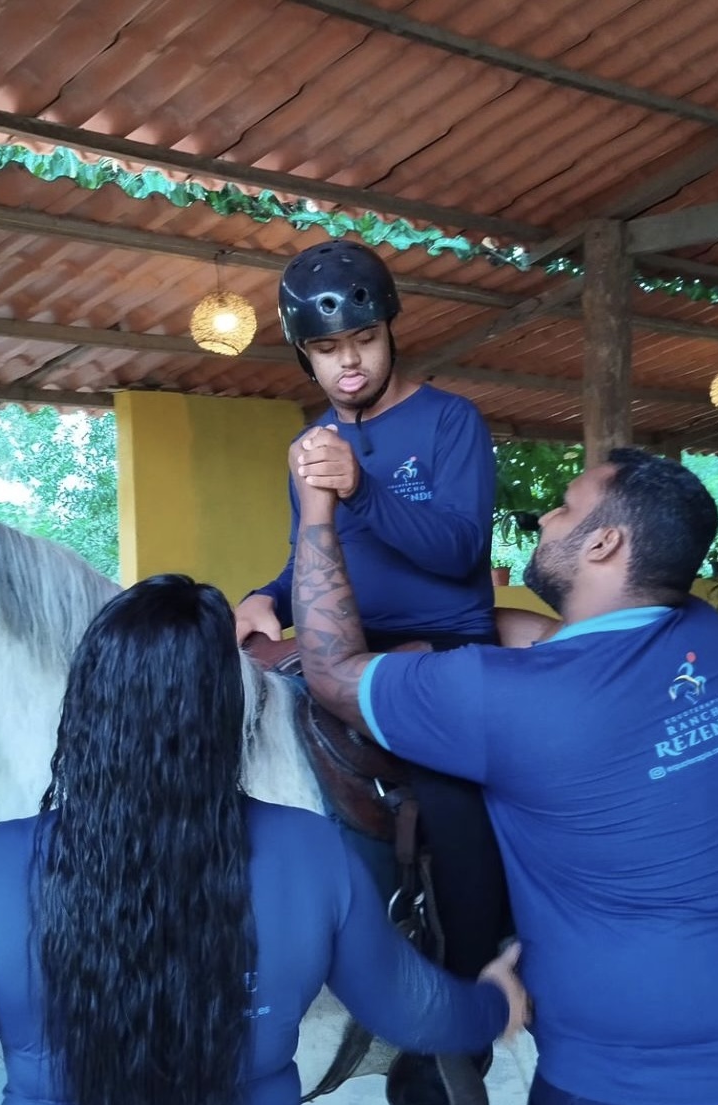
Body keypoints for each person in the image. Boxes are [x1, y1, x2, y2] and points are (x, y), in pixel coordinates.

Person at [0, 574, 527, 1105]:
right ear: (229, 710)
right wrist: (494, 1001)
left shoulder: (1, 867)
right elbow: (413, 1010)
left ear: (87, 703)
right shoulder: (312, 853)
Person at [289, 447, 718, 1105]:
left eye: (567, 505)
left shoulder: (508, 701)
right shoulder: (704, 636)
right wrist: (446, 628)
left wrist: (315, 506)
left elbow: (331, 671)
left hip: (632, 1077)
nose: (547, 515)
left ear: (604, 541)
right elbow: (549, 638)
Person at [237, 242, 513, 1060]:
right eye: (325, 350)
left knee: (455, 801)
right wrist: (269, 595)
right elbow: (311, 553)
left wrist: (364, 484)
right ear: (305, 355)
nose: (346, 363)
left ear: (391, 329)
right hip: (338, 645)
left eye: (360, 340)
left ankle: (471, 992)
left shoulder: (451, 420)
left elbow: (459, 548)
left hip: (440, 649)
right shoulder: (310, 444)